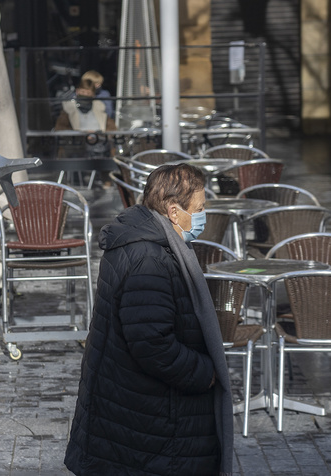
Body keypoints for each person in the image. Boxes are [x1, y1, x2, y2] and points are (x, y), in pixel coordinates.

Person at [64, 163, 233, 475]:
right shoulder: (149, 260)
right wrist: (204, 372)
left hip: (137, 412)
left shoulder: (147, 243)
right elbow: (153, 345)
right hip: (152, 418)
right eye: (199, 208)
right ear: (173, 211)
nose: (202, 217)